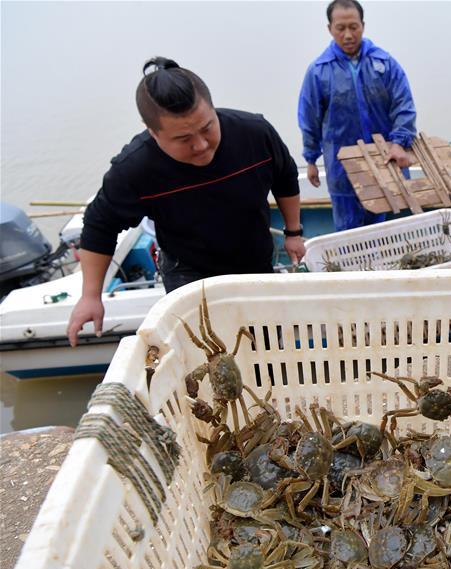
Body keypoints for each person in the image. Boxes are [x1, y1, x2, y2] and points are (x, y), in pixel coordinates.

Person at [66, 57, 304, 347]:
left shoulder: (254, 133)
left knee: (264, 344)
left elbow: (285, 176)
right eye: (183, 139)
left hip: (254, 259)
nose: (201, 145)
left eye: (207, 127)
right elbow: (99, 225)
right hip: (187, 271)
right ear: (153, 132)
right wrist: (91, 296)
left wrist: (293, 232)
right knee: (203, 351)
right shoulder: (135, 169)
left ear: (213, 108)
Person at [298, 0, 416, 231]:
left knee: (388, 230)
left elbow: (404, 105)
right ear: (330, 29)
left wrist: (399, 142)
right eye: (340, 28)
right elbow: (310, 117)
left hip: (385, 159)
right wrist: (311, 159)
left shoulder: (385, 64)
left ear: (363, 25)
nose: (348, 35)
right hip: (342, 167)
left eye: (354, 27)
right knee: (348, 233)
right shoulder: (319, 71)